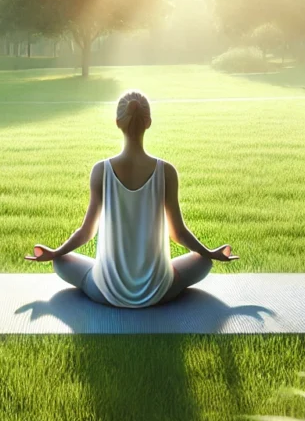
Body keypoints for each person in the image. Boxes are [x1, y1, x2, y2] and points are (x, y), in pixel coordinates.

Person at [24, 90, 238, 307]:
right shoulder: (167, 172)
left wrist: (55, 253)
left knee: (61, 262)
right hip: (158, 291)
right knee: (203, 262)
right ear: (149, 122)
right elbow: (178, 233)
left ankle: (91, 274)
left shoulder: (101, 171)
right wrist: (210, 253)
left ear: (118, 123)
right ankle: (161, 280)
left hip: (106, 291)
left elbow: (86, 232)